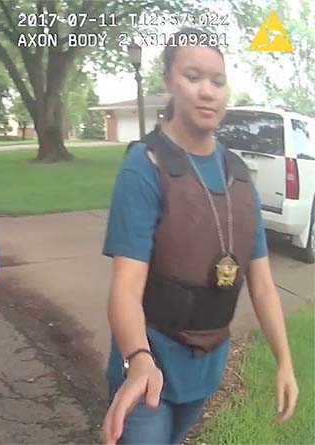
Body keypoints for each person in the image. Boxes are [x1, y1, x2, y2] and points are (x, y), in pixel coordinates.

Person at [101, 28, 298, 445]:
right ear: (169, 81)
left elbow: (262, 285)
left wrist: (284, 361)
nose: (207, 91)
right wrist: (138, 360)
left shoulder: (238, 176)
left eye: (217, 80)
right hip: (149, 369)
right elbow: (124, 289)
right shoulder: (145, 165)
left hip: (205, 369)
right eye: (193, 76)